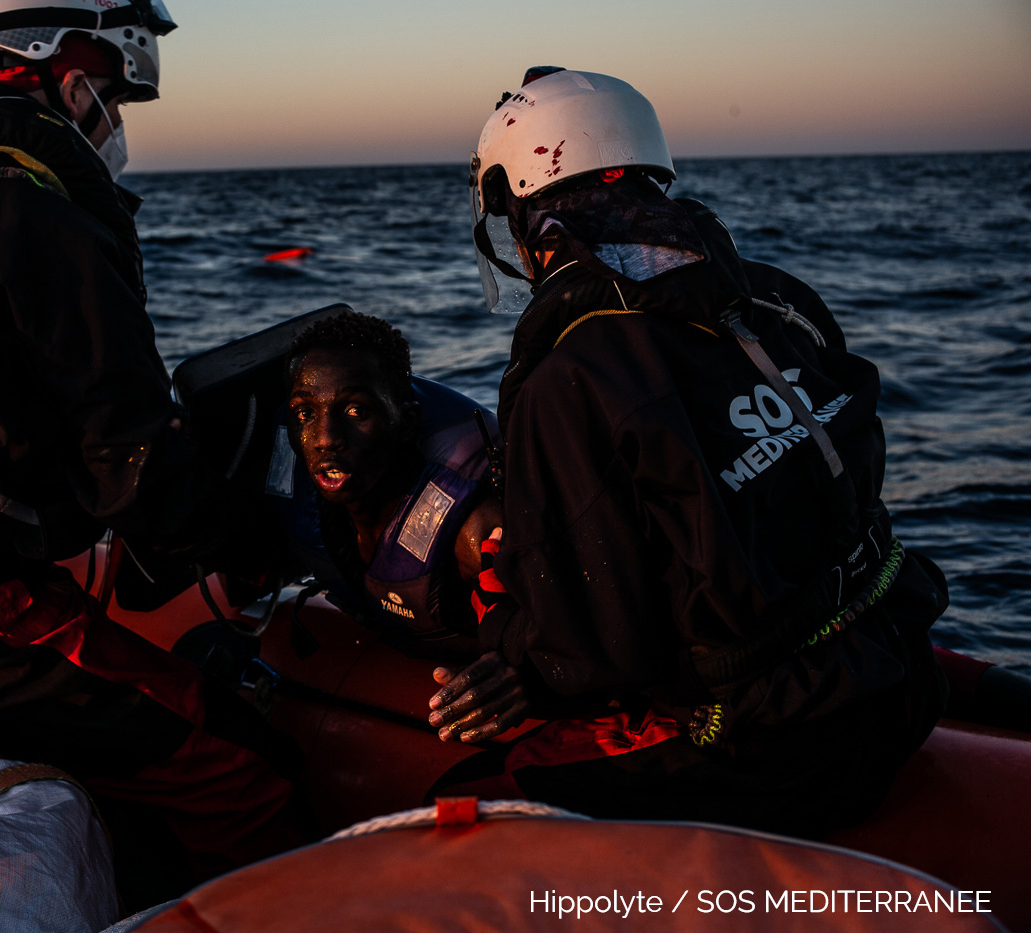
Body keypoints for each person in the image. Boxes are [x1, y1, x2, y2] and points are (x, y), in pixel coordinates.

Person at [0, 0, 301, 890]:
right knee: (244, 767)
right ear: (61, 70)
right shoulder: (32, 211)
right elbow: (136, 468)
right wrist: (269, 537)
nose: (112, 122)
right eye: (110, 95)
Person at [437, 66, 949, 836]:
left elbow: (596, 655)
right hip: (904, 673)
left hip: (782, 752)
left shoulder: (570, 379)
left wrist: (511, 648)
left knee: (466, 803)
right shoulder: (778, 297)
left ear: (520, 214)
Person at [283, 311, 528, 742]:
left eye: (355, 410)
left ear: (406, 422)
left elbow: (575, 632)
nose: (324, 438)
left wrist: (530, 670)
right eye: (305, 413)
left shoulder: (474, 529)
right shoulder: (304, 488)